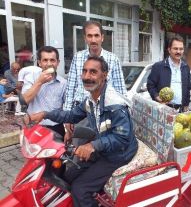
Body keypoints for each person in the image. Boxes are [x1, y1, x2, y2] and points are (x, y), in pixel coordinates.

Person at [27, 56, 138, 207]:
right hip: (104, 147)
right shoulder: (91, 100)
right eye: (84, 71)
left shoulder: (115, 105)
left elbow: (122, 138)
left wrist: (93, 146)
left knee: (80, 190)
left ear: (104, 75)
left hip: (119, 153)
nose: (87, 76)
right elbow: (71, 115)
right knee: (67, 176)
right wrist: (45, 114)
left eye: (93, 72)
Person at [63, 20, 126, 140]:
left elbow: (121, 91)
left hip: (105, 115)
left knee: (104, 151)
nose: (93, 39)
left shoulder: (113, 59)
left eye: (96, 35)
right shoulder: (78, 58)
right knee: (81, 151)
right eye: (89, 36)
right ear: (85, 38)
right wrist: (68, 117)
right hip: (82, 116)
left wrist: (122, 118)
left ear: (102, 37)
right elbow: (70, 89)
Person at [22, 46, 67, 137]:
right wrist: (39, 82)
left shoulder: (63, 83)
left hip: (56, 127)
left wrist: (67, 130)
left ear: (58, 63)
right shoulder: (31, 78)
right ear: (39, 63)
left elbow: (67, 108)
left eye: (52, 60)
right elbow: (24, 100)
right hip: (34, 126)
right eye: (45, 60)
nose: (49, 63)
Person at [147, 36, 191, 112]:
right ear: (169, 50)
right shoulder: (158, 66)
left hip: (181, 110)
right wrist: (156, 96)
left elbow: (188, 88)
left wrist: (186, 104)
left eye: (181, 49)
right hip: (163, 109)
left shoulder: (185, 67)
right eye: (175, 48)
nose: (178, 51)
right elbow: (150, 85)